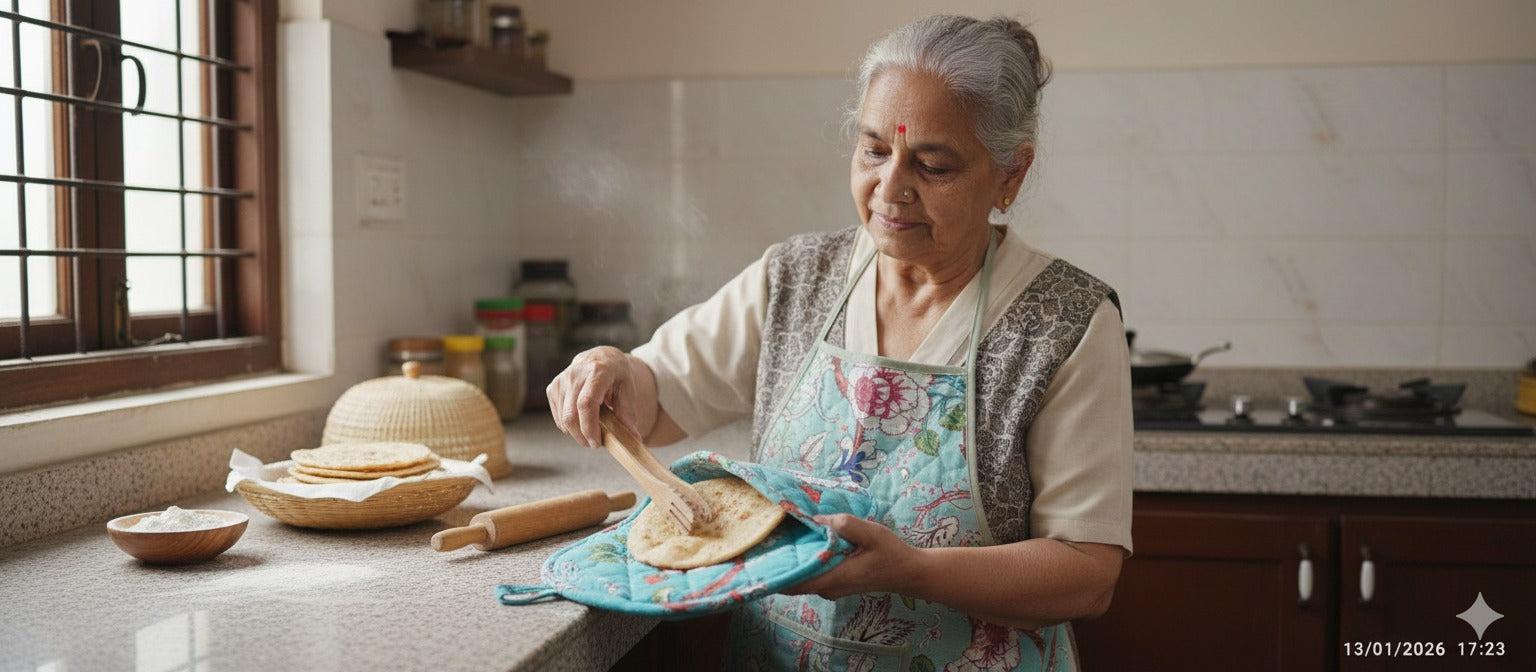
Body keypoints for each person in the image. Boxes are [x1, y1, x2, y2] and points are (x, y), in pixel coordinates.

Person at [547, 14, 1132, 671]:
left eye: (933, 165)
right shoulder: (795, 279)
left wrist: (910, 570)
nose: (891, 188)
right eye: (874, 150)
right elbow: (649, 405)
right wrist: (609, 369)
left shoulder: (1067, 323)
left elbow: (1088, 573)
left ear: (1010, 175)